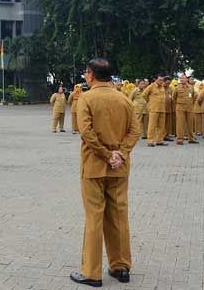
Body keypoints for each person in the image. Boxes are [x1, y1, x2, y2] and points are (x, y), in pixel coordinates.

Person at [70, 58, 140, 288]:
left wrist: (106, 154)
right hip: (119, 168)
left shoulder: (86, 98)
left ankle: (91, 272)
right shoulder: (124, 99)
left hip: (94, 167)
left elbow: (86, 132)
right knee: (119, 217)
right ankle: (121, 267)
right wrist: (120, 152)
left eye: (86, 72)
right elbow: (135, 130)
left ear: (90, 75)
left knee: (94, 218)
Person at [142, 76, 170, 147]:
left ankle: (159, 140)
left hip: (162, 109)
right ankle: (150, 141)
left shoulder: (162, 87)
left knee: (161, 126)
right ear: (156, 80)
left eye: (162, 80)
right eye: (160, 80)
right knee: (152, 125)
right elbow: (144, 95)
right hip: (154, 109)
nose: (161, 81)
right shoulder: (151, 86)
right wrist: (149, 103)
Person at [173, 75, 197, 144]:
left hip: (189, 108)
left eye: (183, 78)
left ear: (186, 79)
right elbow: (174, 98)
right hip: (180, 108)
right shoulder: (177, 88)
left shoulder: (191, 87)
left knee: (190, 123)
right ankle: (180, 139)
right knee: (180, 124)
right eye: (180, 78)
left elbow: (193, 96)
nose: (181, 80)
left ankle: (191, 138)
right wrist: (178, 104)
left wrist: (190, 103)